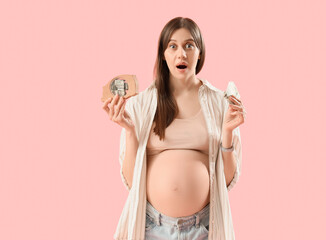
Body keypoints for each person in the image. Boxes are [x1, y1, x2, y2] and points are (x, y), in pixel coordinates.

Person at [103, 16, 246, 240]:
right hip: (151, 228)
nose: (181, 54)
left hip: (204, 228)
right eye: (173, 46)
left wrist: (227, 134)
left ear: (200, 53)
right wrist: (130, 131)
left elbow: (226, 182)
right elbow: (132, 182)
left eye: (189, 45)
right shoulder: (141, 104)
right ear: (163, 54)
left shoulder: (220, 103)